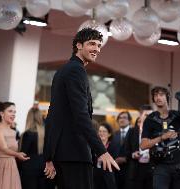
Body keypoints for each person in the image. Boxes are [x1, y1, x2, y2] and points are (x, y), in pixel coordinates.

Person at [44, 28, 120, 189]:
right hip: (75, 154)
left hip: (63, 154)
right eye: (92, 44)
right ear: (78, 45)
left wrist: (49, 156)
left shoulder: (63, 71)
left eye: (99, 45)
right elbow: (81, 116)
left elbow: (53, 116)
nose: (97, 49)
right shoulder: (76, 70)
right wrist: (102, 151)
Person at [140, 86, 180, 189]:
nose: (158, 97)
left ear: (167, 96)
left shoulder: (178, 116)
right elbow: (143, 145)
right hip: (160, 166)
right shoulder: (150, 119)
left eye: (161, 94)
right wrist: (161, 137)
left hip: (179, 164)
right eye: (155, 95)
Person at [19, 107, 54, 189]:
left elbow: (23, 154)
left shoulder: (27, 134)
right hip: (46, 168)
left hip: (29, 169)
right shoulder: (48, 133)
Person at [124, 105, 153, 189]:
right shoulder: (132, 131)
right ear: (141, 116)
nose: (149, 118)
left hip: (151, 170)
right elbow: (126, 151)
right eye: (147, 115)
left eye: (151, 115)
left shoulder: (155, 132)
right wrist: (133, 155)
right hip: (136, 171)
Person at [111, 111, 131, 189]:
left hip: (130, 169)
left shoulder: (134, 132)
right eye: (120, 118)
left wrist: (126, 159)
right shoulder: (114, 134)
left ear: (129, 120)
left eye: (124, 117)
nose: (121, 120)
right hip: (116, 170)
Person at [93, 123, 118, 189]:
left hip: (108, 177)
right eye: (100, 131)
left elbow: (115, 161)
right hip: (95, 177)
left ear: (109, 134)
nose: (101, 133)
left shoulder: (114, 146)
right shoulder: (93, 146)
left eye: (104, 131)